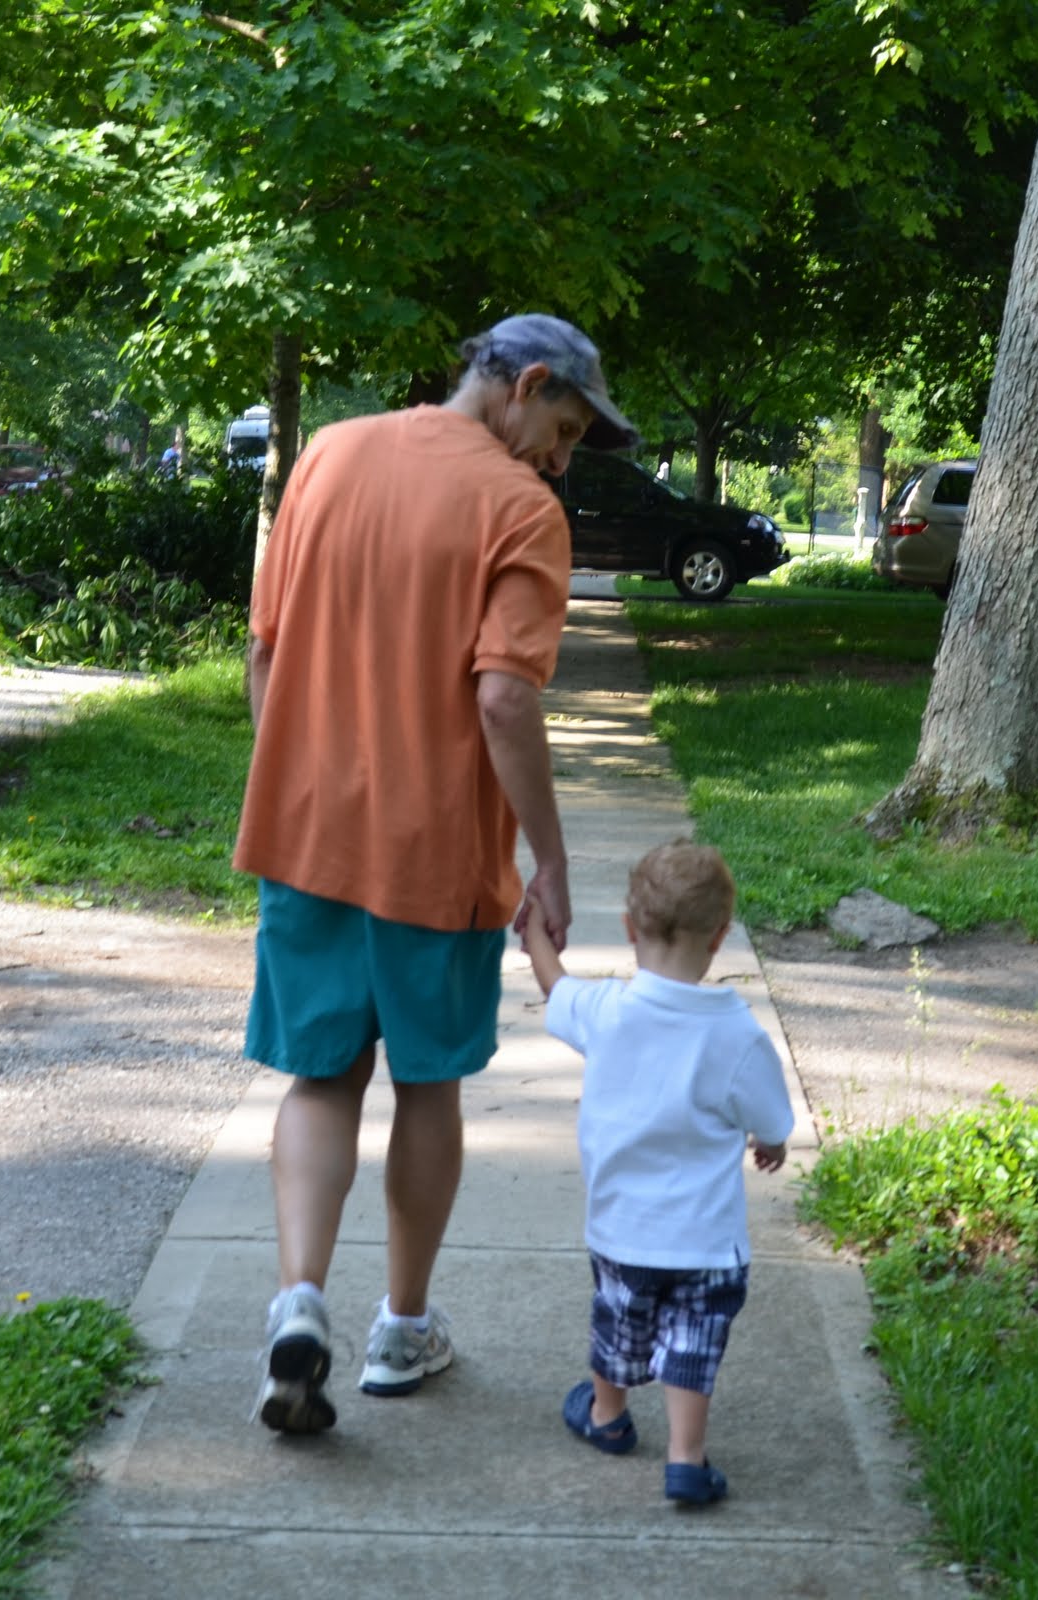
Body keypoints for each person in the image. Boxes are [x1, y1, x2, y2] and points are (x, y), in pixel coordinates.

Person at [233, 313, 637, 1435]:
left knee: (319, 1079)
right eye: (565, 429)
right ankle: (401, 1331)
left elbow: (265, 648)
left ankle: (298, 1300)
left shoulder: (328, 455)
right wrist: (550, 857)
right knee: (426, 1085)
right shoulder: (521, 510)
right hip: (436, 851)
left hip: (307, 836)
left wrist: (296, 788)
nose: (562, 459)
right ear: (527, 383)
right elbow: (502, 696)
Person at [521, 839, 795, 1505]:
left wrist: (534, 936)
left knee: (619, 1323)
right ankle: (685, 1458)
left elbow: (556, 987)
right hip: (706, 1242)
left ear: (628, 928)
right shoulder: (737, 1035)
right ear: (719, 937)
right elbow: (771, 1119)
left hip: (624, 1231)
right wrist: (769, 1143)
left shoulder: (606, 1011)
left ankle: (607, 1415)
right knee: (692, 1346)